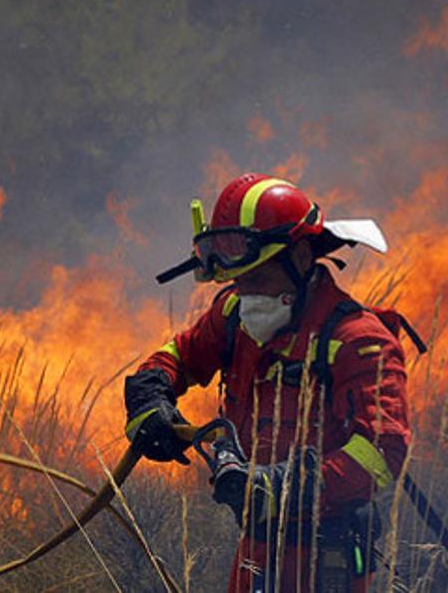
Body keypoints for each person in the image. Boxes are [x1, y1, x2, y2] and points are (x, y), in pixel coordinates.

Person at [126, 173, 413, 593]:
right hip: (255, 546)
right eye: (238, 282)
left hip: (324, 558)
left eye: (257, 279)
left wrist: (281, 486)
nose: (247, 296)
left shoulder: (359, 340)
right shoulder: (234, 314)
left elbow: (383, 450)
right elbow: (180, 356)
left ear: (300, 257)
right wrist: (150, 398)